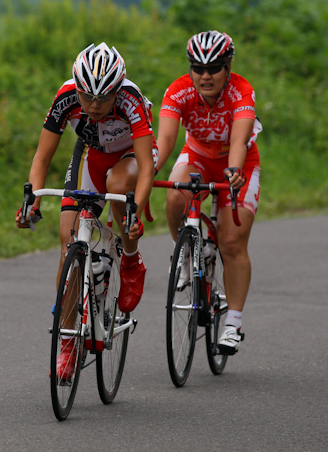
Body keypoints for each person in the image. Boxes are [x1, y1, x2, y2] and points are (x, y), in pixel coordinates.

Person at [16, 43, 157, 378]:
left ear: (117, 90)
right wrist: (32, 198)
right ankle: (68, 342)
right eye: (87, 97)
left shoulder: (130, 100)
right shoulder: (66, 96)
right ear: (77, 88)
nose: (94, 105)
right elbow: (42, 157)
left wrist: (135, 210)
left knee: (118, 183)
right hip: (90, 156)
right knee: (68, 242)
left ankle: (131, 257)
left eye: (103, 98)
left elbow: (147, 167)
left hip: (129, 161)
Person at [156, 30, 262, 355]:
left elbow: (239, 141)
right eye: (198, 68)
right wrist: (148, 171)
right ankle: (184, 253)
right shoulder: (178, 91)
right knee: (175, 195)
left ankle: (233, 323)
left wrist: (234, 172)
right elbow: (165, 143)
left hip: (237, 163)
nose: (205, 75)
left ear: (228, 67)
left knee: (232, 242)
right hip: (198, 156)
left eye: (213, 68)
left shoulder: (241, 91)